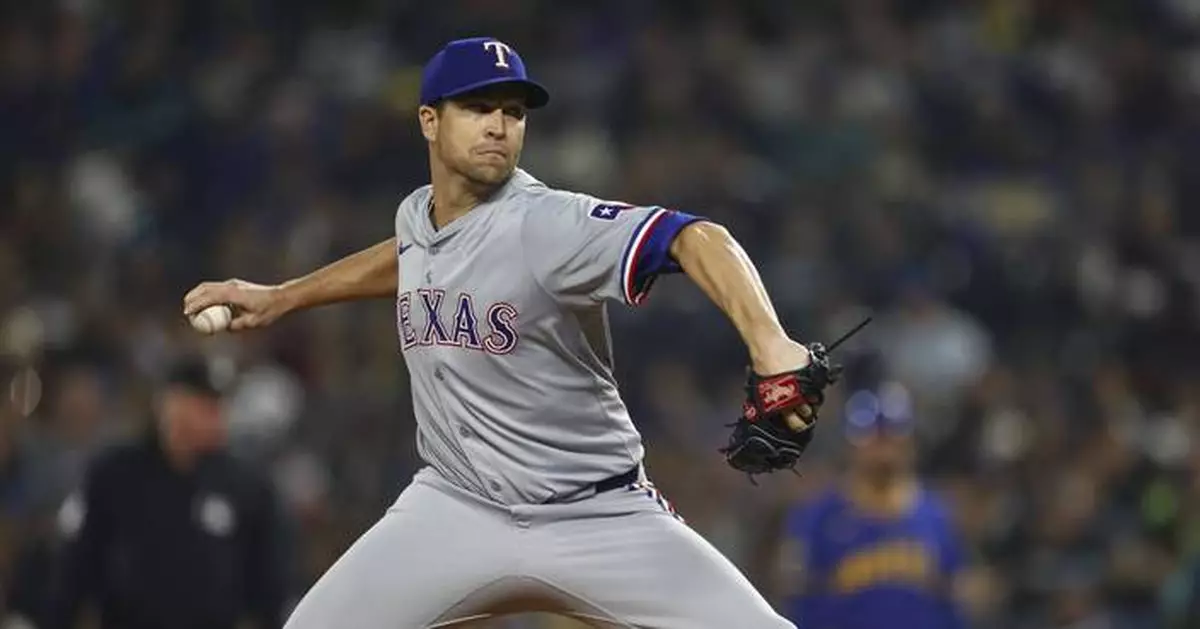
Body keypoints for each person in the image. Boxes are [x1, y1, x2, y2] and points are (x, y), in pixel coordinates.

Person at [184, 37, 815, 628]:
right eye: (477, 107)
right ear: (429, 121)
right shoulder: (416, 216)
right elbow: (414, 253)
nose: (498, 125)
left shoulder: (548, 224)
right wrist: (284, 297)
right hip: (454, 508)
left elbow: (697, 237)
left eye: (512, 112)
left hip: (596, 513)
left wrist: (770, 345)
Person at [43, 355, 287, 629]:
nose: (216, 415)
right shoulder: (117, 475)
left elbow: (268, 584)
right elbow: (77, 570)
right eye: (203, 404)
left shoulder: (244, 486)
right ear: (170, 403)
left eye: (218, 405)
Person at [775, 386, 969, 629]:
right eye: (873, 439)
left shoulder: (938, 516)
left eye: (890, 437)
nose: (882, 450)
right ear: (852, 445)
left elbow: (957, 597)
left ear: (909, 443)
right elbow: (795, 596)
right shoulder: (817, 518)